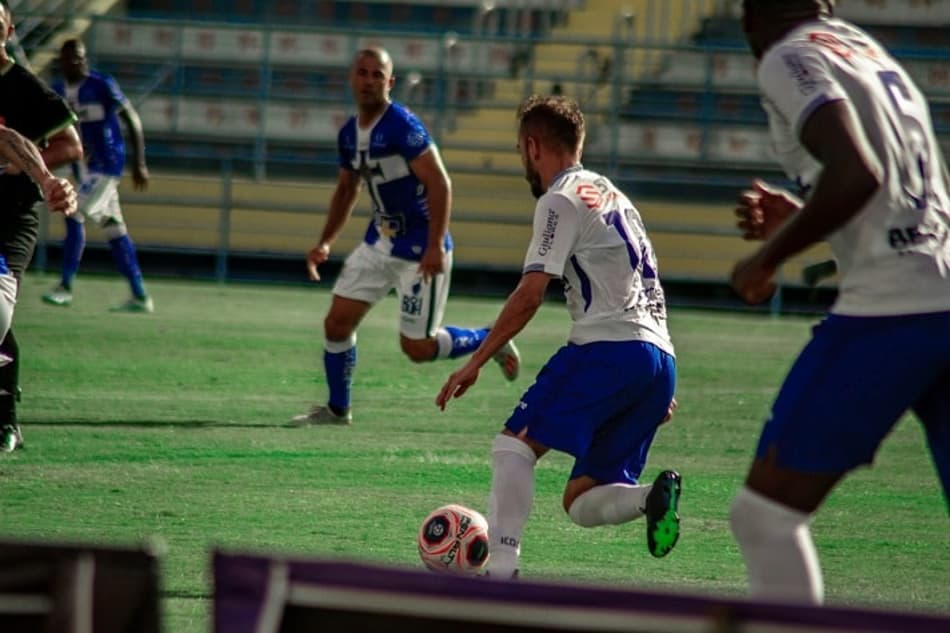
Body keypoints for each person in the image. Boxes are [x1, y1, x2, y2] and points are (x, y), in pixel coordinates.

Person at [729, 0, 950, 604]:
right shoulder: (868, 51)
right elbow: (901, 200)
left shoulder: (788, 53)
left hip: (892, 314)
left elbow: (857, 174)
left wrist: (766, 256)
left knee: (764, 516)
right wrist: (801, 219)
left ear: (751, 18)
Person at [436, 95, 682, 578]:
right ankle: (648, 498)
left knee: (513, 447)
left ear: (532, 147)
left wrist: (476, 360)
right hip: (658, 357)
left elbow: (530, 294)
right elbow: (646, 281)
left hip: (607, 348)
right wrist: (653, 379)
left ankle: (500, 572)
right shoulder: (618, 199)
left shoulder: (559, 199)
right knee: (580, 497)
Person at [294, 47, 520, 425]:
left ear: (390, 82)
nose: (368, 81)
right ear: (352, 78)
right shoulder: (350, 134)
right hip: (379, 241)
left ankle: (487, 338)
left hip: (419, 247)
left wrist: (434, 244)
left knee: (417, 347)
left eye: (377, 75)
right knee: (336, 324)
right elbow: (347, 189)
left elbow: (440, 183)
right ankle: (337, 410)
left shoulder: (403, 127)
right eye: (362, 73)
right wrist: (326, 241)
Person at [0, 0, 84, 452]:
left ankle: (6, 419)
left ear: (9, 28)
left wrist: (32, 171)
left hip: (12, 217)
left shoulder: (27, 90)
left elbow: (70, 145)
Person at [42, 38, 153, 313]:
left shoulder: (102, 85)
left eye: (80, 57)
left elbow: (131, 118)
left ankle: (65, 287)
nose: (76, 62)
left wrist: (139, 162)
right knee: (115, 229)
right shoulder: (56, 92)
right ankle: (140, 295)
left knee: (74, 211)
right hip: (84, 170)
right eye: (70, 58)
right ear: (62, 61)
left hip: (106, 166)